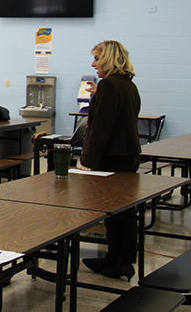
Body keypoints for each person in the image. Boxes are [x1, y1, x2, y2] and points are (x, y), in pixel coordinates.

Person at [78, 40, 141, 281]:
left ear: (108, 58)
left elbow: (101, 128)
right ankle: (118, 258)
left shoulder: (108, 85)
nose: (93, 64)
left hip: (112, 157)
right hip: (128, 153)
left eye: (96, 58)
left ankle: (120, 260)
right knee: (124, 211)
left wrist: (87, 161)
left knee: (115, 213)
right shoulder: (127, 85)